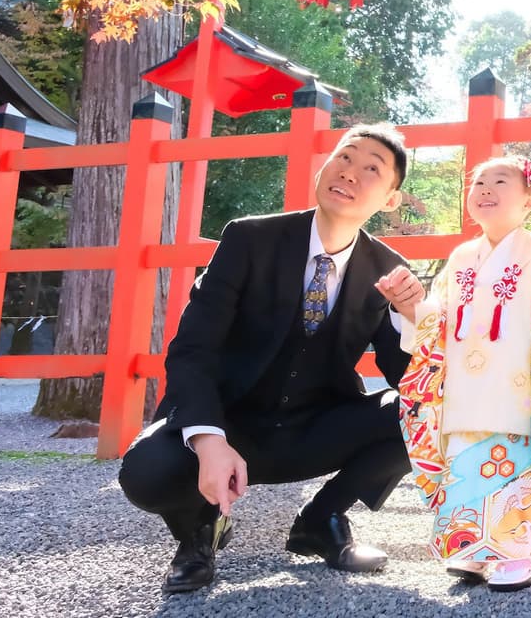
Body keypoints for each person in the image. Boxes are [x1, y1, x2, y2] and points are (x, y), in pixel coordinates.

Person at [119, 124, 427, 594]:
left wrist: (411, 321)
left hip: (314, 426)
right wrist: (208, 440)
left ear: (389, 199)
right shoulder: (249, 239)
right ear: (325, 166)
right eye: (345, 157)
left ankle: (321, 519)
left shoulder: (388, 269)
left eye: (371, 169)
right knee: (146, 472)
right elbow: (192, 348)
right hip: (231, 422)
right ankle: (199, 532)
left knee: (424, 412)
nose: (350, 173)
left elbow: (408, 378)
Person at [396, 156, 531, 592]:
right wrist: (410, 306)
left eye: (500, 181)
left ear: (529, 201)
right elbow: (440, 316)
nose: (485, 188)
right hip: (463, 387)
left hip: (518, 386)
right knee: (464, 462)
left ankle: (516, 553)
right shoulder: (460, 256)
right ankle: (469, 547)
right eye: (479, 182)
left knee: (512, 465)